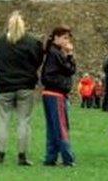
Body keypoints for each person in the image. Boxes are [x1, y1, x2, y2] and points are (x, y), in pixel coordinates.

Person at [0, 10, 44, 166]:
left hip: (5, 87)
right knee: (24, 121)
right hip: (25, 86)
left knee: (3, 121)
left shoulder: (0, 42)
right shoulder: (31, 42)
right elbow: (38, 59)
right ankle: (22, 155)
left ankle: (0, 154)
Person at [41, 26, 76, 167]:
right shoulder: (56, 54)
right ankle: (68, 157)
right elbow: (69, 70)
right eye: (64, 37)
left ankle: (51, 157)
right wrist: (70, 54)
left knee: (52, 128)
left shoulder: (52, 52)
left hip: (49, 93)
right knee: (61, 127)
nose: (67, 41)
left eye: (68, 38)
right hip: (56, 94)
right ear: (56, 37)